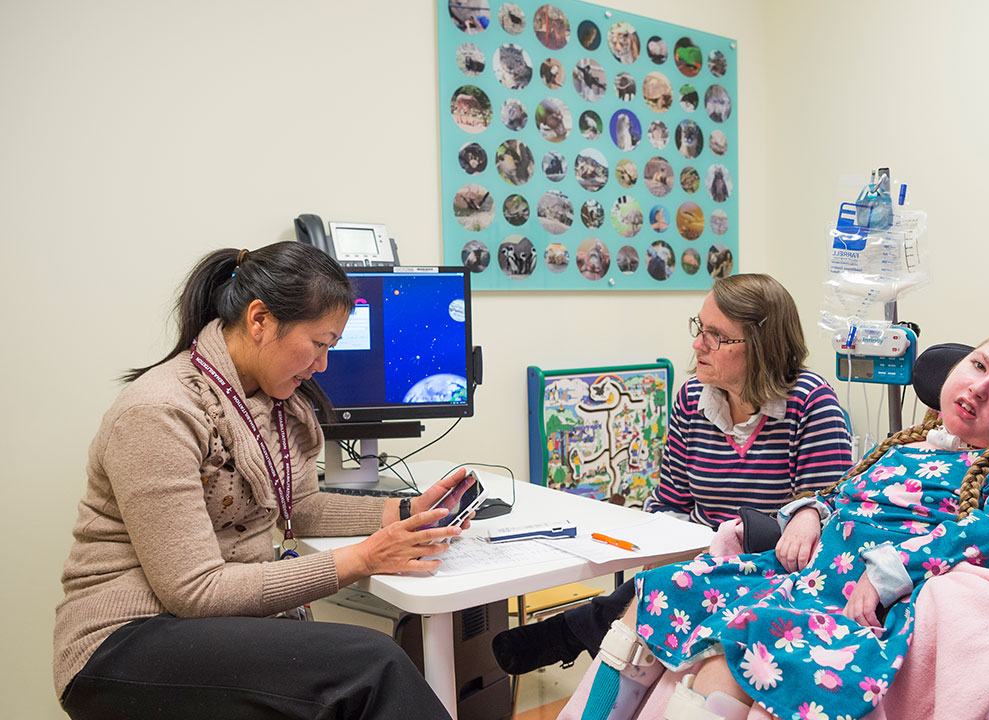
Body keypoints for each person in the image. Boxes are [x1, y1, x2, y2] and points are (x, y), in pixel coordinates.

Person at [54, 242, 468, 719]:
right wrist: (366, 558)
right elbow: (196, 591)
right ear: (259, 321)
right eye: (319, 344)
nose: (323, 365)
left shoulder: (273, 403)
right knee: (373, 663)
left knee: (358, 668)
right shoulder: (159, 413)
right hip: (122, 640)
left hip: (203, 627)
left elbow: (300, 508)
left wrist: (406, 512)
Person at [576, 331, 989, 720]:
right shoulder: (906, 445)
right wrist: (811, 512)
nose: (979, 387)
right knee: (661, 589)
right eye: (979, 365)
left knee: (735, 661)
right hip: (805, 576)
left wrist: (891, 569)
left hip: (853, 604)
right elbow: (841, 496)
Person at [492, 273, 853, 674]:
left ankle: (573, 630)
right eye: (700, 328)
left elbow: (826, 511)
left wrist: (802, 517)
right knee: (651, 604)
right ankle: (580, 632)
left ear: (762, 346)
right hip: (697, 559)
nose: (698, 343)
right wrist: (658, 545)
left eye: (715, 335)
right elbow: (670, 503)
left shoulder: (811, 402)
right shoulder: (690, 400)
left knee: (650, 608)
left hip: (769, 571)